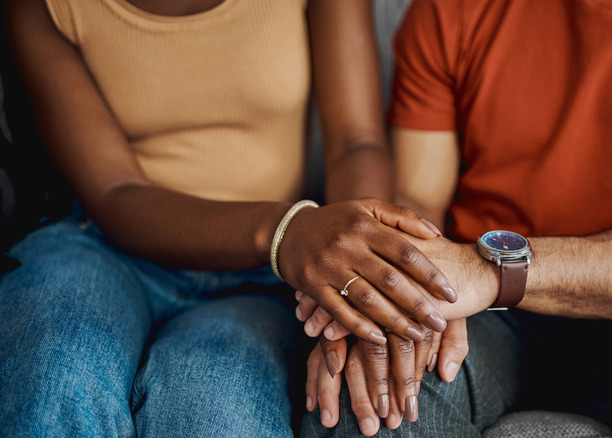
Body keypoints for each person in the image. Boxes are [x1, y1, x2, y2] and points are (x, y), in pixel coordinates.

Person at [298, 0, 612, 436]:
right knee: (367, 395)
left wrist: (491, 271)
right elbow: (418, 197)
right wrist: (397, 287)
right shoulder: (452, 7)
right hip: (481, 319)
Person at [0, 0, 459, 436]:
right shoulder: (41, 7)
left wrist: (354, 282)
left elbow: (356, 142)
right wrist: (286, 231)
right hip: (101, 248)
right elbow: (115, 191)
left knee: (214, 408)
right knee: (56, 366)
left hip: (265, 275)